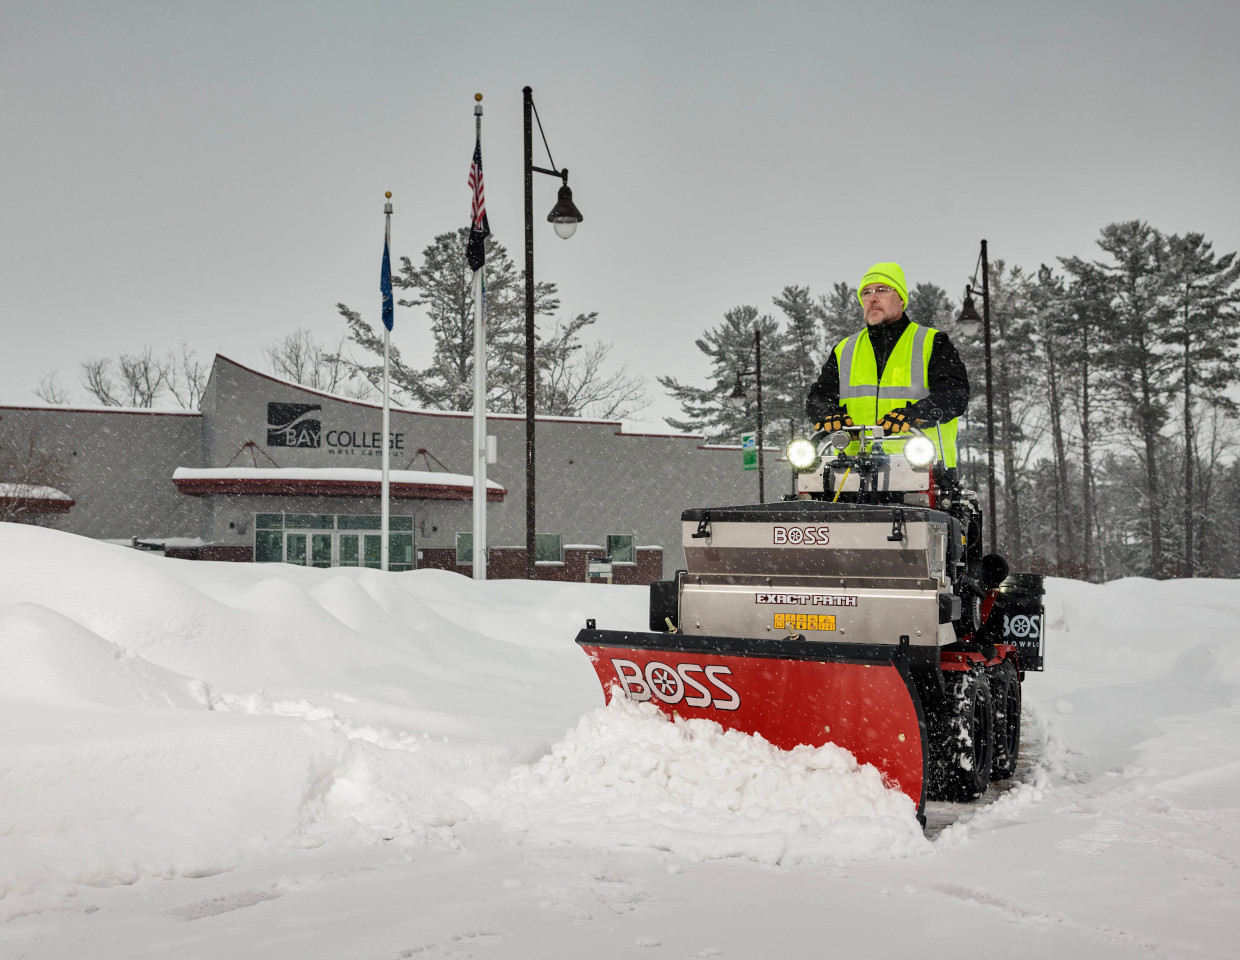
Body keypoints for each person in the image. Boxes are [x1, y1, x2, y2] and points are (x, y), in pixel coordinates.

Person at [806, 262, 969, 467]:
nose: (872, 298)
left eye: (882, 290)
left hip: (925, 469)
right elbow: (818, 397)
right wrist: (828, 412)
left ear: (901, 299)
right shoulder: (845, 349)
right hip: (853, 469)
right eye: (866, 293)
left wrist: (914, 414)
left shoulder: (932, 343)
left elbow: (955, 394)